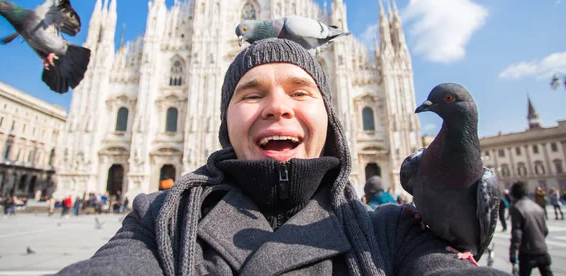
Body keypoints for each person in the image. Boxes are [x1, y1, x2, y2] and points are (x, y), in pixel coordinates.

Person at [56, 38, 508, 275]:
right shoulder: (160, 222)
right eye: (251, 94)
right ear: (224, 121)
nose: (277, 106)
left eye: (299, 91)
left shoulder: (390, 228)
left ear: (330, 118)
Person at [509, 181, 553, 276]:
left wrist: (513, 254)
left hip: (527, 252)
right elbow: (545, 231)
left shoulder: (517, 208)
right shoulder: (537, 207)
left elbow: (517, 234)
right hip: (542, 250)